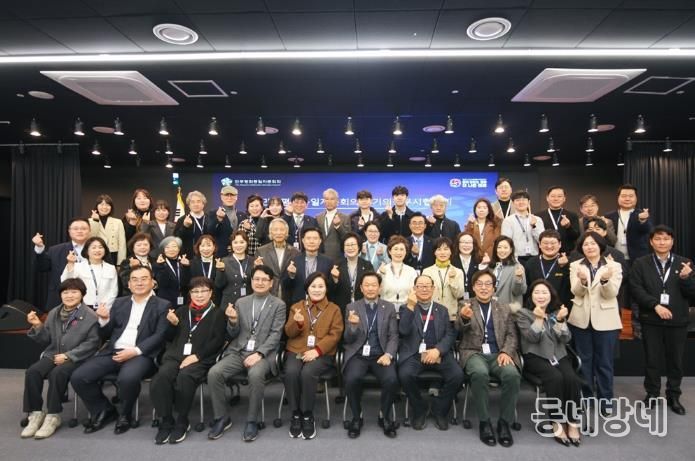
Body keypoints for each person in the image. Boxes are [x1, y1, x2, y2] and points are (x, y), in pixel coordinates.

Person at [71, 266, 170, 434]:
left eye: (144, 279)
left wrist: (135, 351)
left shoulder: (162, 305)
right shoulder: (119, 303)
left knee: (127, 379)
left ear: (152, 282)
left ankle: (125, 415)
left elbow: (160, 335)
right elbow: (106, 333)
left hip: (141, 355)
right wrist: (104, 320)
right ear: (129, 284)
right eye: (135, 280)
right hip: (114, 352)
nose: (139, 283)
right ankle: (103, 410)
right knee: (79, 377)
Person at [207, 265, 286, 442]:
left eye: (264, 280)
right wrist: (233, 321)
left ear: (271, 283)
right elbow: (233, 333)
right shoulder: (241, 302)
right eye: (256, 279)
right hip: (239, 350)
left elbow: (276, 334)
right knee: (214, 373)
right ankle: (221, 417)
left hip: (263, 353)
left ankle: (252, 420)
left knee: (256, 374)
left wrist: (259, 353)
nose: (260, 282)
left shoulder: (278, 304)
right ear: (251, 281)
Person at [150, 277, 226, 444]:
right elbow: (169, 338)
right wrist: (172, 324)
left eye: (203, 291)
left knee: (185, 376)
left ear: (211, 293)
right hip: (176, 356)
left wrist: (197, 356)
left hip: (201, 358)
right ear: (190, 294)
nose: (199, 295)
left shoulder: (218, 313)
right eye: (195, 291)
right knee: (161, 377)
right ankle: (166, 420)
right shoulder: (181, 311)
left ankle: (182, 420)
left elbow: (218, 341)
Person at [22, 278, 99, 439]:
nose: (69, 295)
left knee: (57, 374)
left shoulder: (90, 316)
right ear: (60, 295)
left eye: (74, 292)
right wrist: (37, 325)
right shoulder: (54, 313)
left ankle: (53, 415)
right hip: (53, 354)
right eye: (65, 292)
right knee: (32, 372)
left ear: (82, 294)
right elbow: (45, 340)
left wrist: (68, 356)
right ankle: (35, 413)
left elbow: (92, 343)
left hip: (77, 358)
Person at [629, 225, 695, 415]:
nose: (662, 242)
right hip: (651, 318)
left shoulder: (684, 263)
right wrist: (655, 305)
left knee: (675, 360)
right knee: (652, 359)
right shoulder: (641, 263)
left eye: (666, 239)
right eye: (658, 239)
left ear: (672, 242)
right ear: (651, 242)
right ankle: (652, 393)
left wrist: (686, 278)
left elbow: (692, 293)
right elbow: (636, 289)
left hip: (677, 320)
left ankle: (673, 395)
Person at [514, 280, 582, 446]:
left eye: (544, 292)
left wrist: (560, 321)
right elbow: (532, 337)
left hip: (558, 355)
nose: (541, 296)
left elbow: (565, 338)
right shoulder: (523, 314)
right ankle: (556, 421)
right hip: (535, 357)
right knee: (555, 378)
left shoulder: (556, 313)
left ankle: (572, 422)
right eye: (537, 292)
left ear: (551, 295)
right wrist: (538, 319)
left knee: (572, 379)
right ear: (531, 296)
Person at [457, 270, 521, 448]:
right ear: (473, 287)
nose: (483, 288)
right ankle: (484, 422)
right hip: (473, 352)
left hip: (499, 353)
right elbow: (458, 330)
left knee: (512, 375)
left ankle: (504, 423)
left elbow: (512, 335)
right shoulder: (465, 304)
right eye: (479, 284)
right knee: (480, 373)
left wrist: (506, 352)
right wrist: (464, 318)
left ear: (494, 288)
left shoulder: (504, 308)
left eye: (488, 284)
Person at [398, 275, 463, 431]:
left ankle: (439, 409)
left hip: (438, 353)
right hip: (414, 354)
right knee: (405, 375)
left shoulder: (442, 310)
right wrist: (410, 306)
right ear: (414, 289)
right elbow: (403, 331)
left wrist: (438, 350)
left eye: (428, 286)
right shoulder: (406, 308)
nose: (424, 289)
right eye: (420, 286)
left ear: (433, 289)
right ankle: (419, 409)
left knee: (457, 376)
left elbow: (450, 334)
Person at [284, 273, 344, 440]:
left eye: (321, 286)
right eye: (313, 286)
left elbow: (335, 335)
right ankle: (295, 413)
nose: (317, 290)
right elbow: (288, 333)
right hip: (297, 350)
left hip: (322, 353)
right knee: (291, 372)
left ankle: (307, 414)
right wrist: (297, 323)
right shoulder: (297, 307)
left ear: (326, 289)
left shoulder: (334, 309)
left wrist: (317, 351)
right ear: (307, 288)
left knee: (308, 372)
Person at [568, 232, 623, 413]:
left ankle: (606, 400)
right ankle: (587, 398)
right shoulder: (575, 265)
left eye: (593, 243)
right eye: (586, 244)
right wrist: (583, 281)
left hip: (606, 321)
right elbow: (576, 291)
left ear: (600, 245)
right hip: (581, 320)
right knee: (584, 362)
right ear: (581, 247)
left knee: (604, 362)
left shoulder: (614, 266)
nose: (589, 247)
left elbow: (612, 293)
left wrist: (605, 279)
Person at [342, 271, 399, 439]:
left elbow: (393, 336)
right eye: (366, 285)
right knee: (351, 379)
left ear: (380, 287)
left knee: (391, 379)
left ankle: (384, 415)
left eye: (374, 285)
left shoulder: (388, 307)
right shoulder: (352, 307)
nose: (370, 288)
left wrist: (388, 354)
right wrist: (352, 327)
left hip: (380, 354)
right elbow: (347, 338)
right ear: (361, 287)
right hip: (358, 354)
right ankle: (357, 416)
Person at [33, 217, 92, 311]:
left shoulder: (97, 250)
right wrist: (39, 248)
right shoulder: (56, 250)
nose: (80, 231)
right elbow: (42, 267)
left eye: (83, 228)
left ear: (89, 231)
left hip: (90, 299)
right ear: (69, 231)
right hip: (59, 300)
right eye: (75, 228)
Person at [60, 236, 118, 310]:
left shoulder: (111, 268)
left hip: (104, 308)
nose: (97, 250)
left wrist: (105, 308)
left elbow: (113, 290)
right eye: (94, 247)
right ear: (87, 251)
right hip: (81, 307)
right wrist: (70, 263)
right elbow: (65, 282)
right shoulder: (78, 266)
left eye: (100, 247)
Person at [282, 227, 334, 305]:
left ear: (320, 241)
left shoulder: (328, 262)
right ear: (303, 241)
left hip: (321, 305)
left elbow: (331, 288)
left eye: (315, 238)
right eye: (308, 238)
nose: (311, 241)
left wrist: (335, 279)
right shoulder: (294, 261)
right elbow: (285, 286)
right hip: (299, 305)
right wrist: (291, 275)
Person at [254, 218, 300, 304]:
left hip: (288, 295)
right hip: (267, 295)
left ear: (286, 232)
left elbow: (298, 278)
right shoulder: (261, 251)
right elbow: (255, 275)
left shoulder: (295, 252)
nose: (279, 233)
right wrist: (255, 267)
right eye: (275, 230)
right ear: (271, 232)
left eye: (282, 230)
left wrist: (292, 274)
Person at [523, 230, 572, 308]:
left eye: (553, 243)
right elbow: (526, 289)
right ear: (539, 245)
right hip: (535, 308)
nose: (549, 246)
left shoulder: (568, 262)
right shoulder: (531, 263)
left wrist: (567, 266)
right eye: (545, 243)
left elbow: (571, 288)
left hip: (560, 309)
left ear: (560, 244)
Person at [605, 184, 653, 263]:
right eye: (624, 196)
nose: (627, 199)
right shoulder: (609, 216)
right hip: (614, 258)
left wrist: (642, 220)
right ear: (618, 198)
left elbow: (648, 230)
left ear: (636, 198)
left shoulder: (642, 214)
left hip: (637, 259)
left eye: (631, 196)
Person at [422, 237, 466, 321]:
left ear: (451, 252)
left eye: (446, 249)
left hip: (451, 316)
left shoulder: (458, 271)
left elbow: (459, 295)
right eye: (439, 249)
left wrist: (453, 280)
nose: (442, 252)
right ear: (434, 252)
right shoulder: (426, 271)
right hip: (431, 315)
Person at [329, 232, 374, 314]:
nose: (350, 248)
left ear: (359, 246)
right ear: (343, 248)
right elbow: (330, 291)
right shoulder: (336, 265)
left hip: (363, 307)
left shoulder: (367, 265)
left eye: (353, 244)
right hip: (342, 308)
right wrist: (335, 279)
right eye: (347, 245)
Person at [501, 190, 544, 264]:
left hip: (534, 257)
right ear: (513, 203)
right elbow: (506, 242)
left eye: (524, 200)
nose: (521, 202)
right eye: (517, 200)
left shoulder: (537, 219)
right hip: (516, 257)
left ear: (529, 202)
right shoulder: (508, 221)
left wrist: (534, 226)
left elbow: (542, 240)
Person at [215, 231, 254, 309]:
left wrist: (258, 268)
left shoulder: (253, 261)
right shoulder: (224, 261)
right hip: (229, 303)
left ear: (247, 243)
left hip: (248, 302)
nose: (238, 245)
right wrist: (220, 271)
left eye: (242, 242)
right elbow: (219, 284)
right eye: (235, 242)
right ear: (231, 245)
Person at [379, 235, 418, 310]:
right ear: (390, 251)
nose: (398, 252)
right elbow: (379, 292)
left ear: (406, 252)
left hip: (406, 309)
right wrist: (381, 275)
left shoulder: (411, 271)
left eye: (402, 249)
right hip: (385, 309)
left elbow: (414, 293)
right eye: (395, 249)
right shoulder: (382, 269)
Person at [153, 236, 191, 309]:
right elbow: (163, 283)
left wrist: (186, 267)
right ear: (163, 250)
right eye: (167, 247)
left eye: (174, 246)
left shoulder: (184, 262)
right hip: (165, 301)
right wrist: (161, 266)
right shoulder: (158, 264)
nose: (171, 249)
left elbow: (186, 283)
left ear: (179, 249)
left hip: (184, 300)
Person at [538, 186, 580, 253]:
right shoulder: (538, 216)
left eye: (559, 196)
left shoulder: (572, 215)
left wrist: (568, 227)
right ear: (547, 198)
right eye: (553, 196)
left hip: (567, 254)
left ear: (564, 199)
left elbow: (576, 237)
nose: (556, 199)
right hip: (546, 253)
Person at [209, 185, 248, 257]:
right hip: (220, 254)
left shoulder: (242, 215)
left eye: (232, 195)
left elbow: (245, 236)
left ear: (236, 197)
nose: (229, 198)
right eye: (227, 195)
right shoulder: (213, 213)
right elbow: (209, 232)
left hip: (239, 253)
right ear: (221, 197)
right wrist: (218, 219)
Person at [89, 194, 127, 266]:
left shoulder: (118, 222)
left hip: (113, 255)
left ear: (111, 207)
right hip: (96, 253)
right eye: (101, 204)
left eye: (107, 205)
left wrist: (120, 264)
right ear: (97, 206)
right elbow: (91, 238)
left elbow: (122, 244)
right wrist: (95, 221)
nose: (104, 207)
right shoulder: (89, 221)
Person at [315, 188, 351, 264]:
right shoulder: (318, 217)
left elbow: (347, 238)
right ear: (323, 201)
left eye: (332, 199)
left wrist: (338, 226)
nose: (329, 202)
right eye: (326, 199)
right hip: (320, 257)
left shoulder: (345, 218)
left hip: (337, 258)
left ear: (337, 201)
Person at [489, 236, 527, 307]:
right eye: (499, 247)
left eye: (505, 247)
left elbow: (518, 292)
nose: (502, 250)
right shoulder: (492, 267)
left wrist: (518, 279)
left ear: (511, 250)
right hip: (491, 307)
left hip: (508, 309)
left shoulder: (517, 267)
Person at [175, 190, 212, 257]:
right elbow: (177, 239)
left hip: (208, 255)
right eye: (192, 202)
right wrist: (185, 226)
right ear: (189, 205)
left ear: (203, 204)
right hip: (189, 257)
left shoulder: (210, 218)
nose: (196, 204)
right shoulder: (182, 219)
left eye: (198, 201)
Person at [452, 231, 486, 299]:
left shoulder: (480, 260)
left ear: (473, 244)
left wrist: (483, 266)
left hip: (475, 298)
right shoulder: (451, 261)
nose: (466, 245)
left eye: (469, 242)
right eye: (463, 242)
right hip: (455, 298)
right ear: (458, 244)